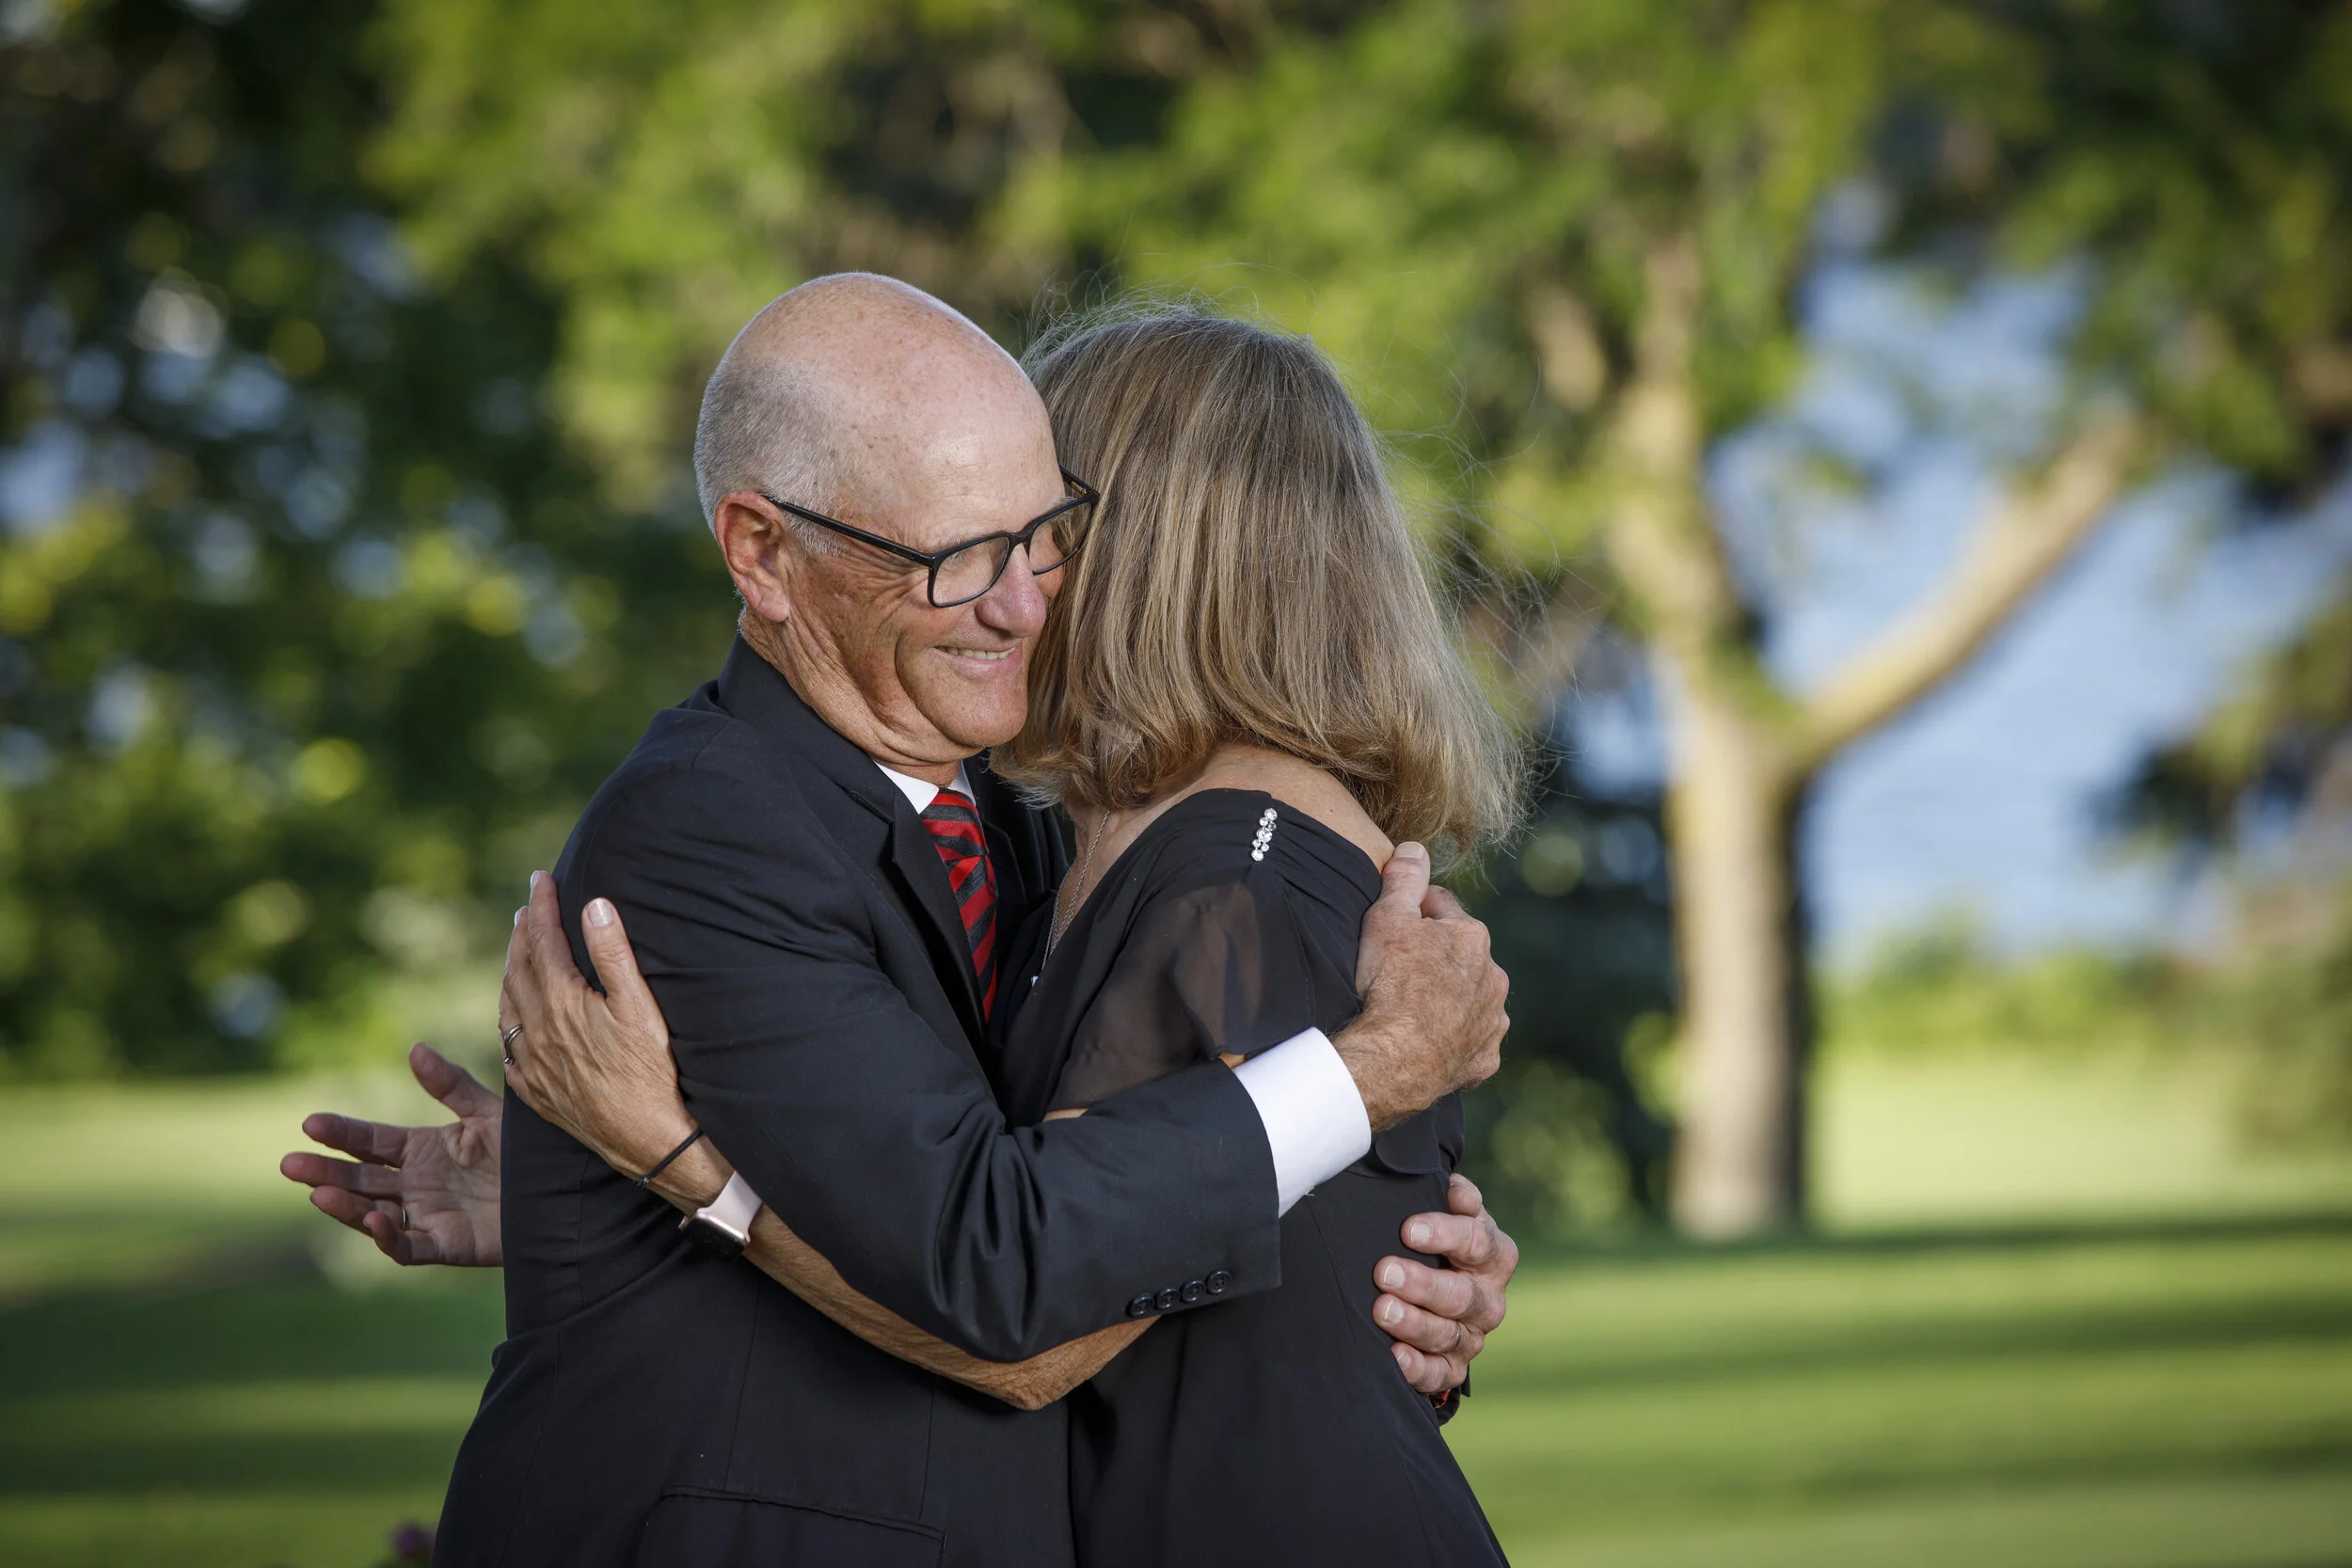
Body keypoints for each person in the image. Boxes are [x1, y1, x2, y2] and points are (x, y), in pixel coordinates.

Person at [285, 277, 1517, 1568]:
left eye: (1046, 538)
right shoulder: (713, 819)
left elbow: (1032, 1204)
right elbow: (1019, 1285)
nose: (1025, 602)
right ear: (763, 554)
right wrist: (1373, 1078)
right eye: (961, 557)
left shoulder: (1049, 834)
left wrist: (668, 1172)